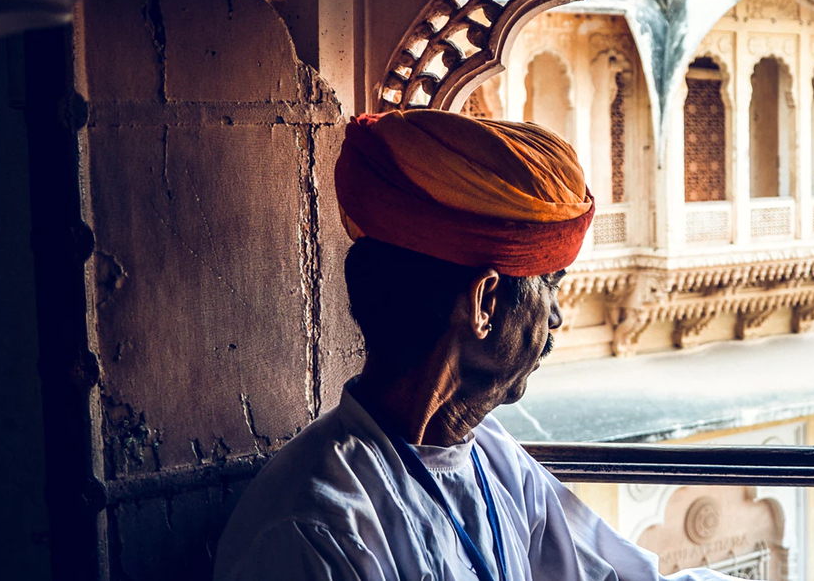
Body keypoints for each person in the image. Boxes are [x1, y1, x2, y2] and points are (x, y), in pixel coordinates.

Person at [213, 110, 731, 581]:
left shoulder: (492, 458)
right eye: (549, 284)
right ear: (485, 302)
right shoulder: (316, 528)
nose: (555, 316)